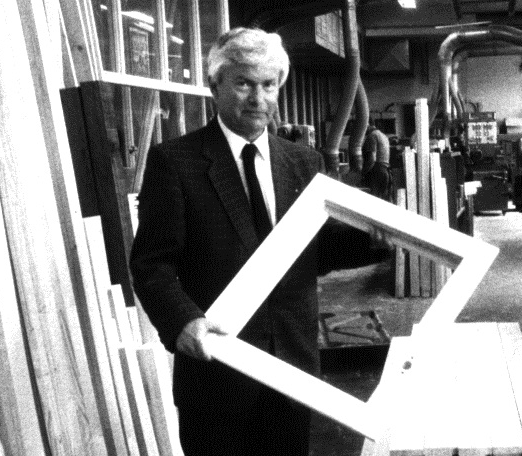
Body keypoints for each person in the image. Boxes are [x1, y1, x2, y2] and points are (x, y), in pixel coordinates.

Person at [131, 27, 361, 455]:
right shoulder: (175, 162)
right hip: (216, 375)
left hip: (291, 371)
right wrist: (182, 322)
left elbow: (316, 252)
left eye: (269, 85)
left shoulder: (303, 162)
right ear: (214, 85)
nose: (258, 99)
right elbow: (151, 266)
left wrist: (376, 238)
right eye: (243, 84)